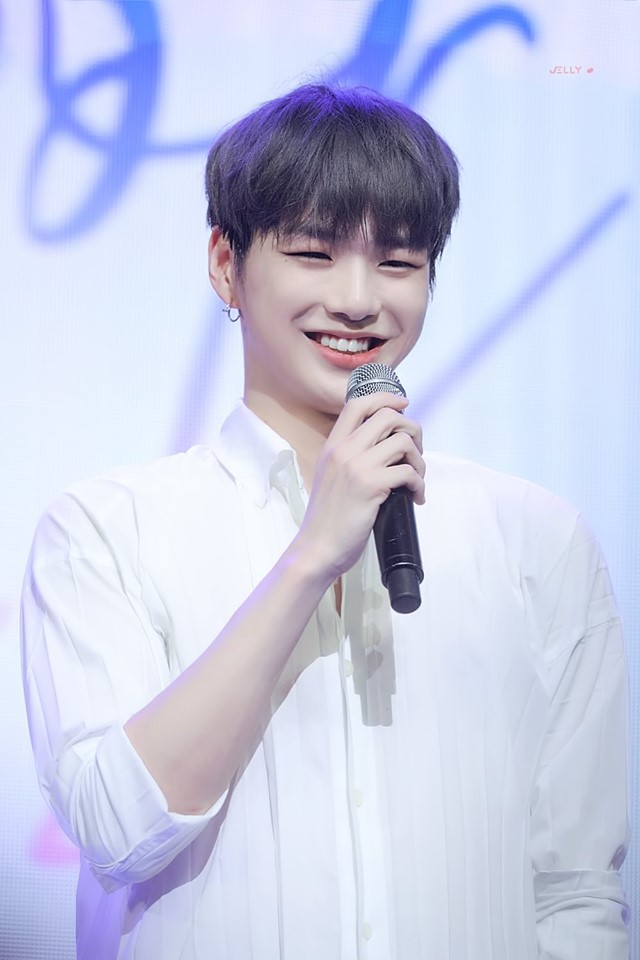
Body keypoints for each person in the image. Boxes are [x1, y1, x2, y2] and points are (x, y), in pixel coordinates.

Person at [21, 84, 629, 960]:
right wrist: (310, 558)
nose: (357, 300)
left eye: (397, 262)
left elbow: (576, 890)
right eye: (313, 253)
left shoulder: (539, 541)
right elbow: (114, 829)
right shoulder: (105, 533)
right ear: (225, 263)